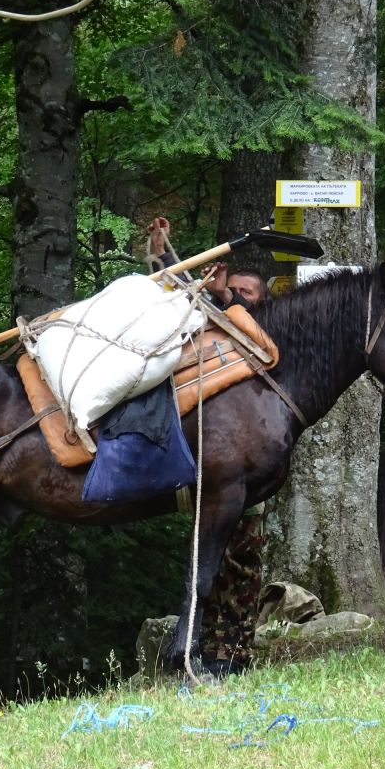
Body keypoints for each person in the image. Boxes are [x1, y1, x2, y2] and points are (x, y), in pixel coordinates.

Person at [145, 217, 268, 676]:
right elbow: (184, 292)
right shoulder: (215, 329)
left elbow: (240, 312)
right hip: (211, 475)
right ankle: (204, 649)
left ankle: (233, 654)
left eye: (246, 293)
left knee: (241, 567)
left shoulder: (257, 333)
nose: (234, 296)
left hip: (245, 477)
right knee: (211, 565)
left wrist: (230, 298)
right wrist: (164, 254)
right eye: (232, 289)